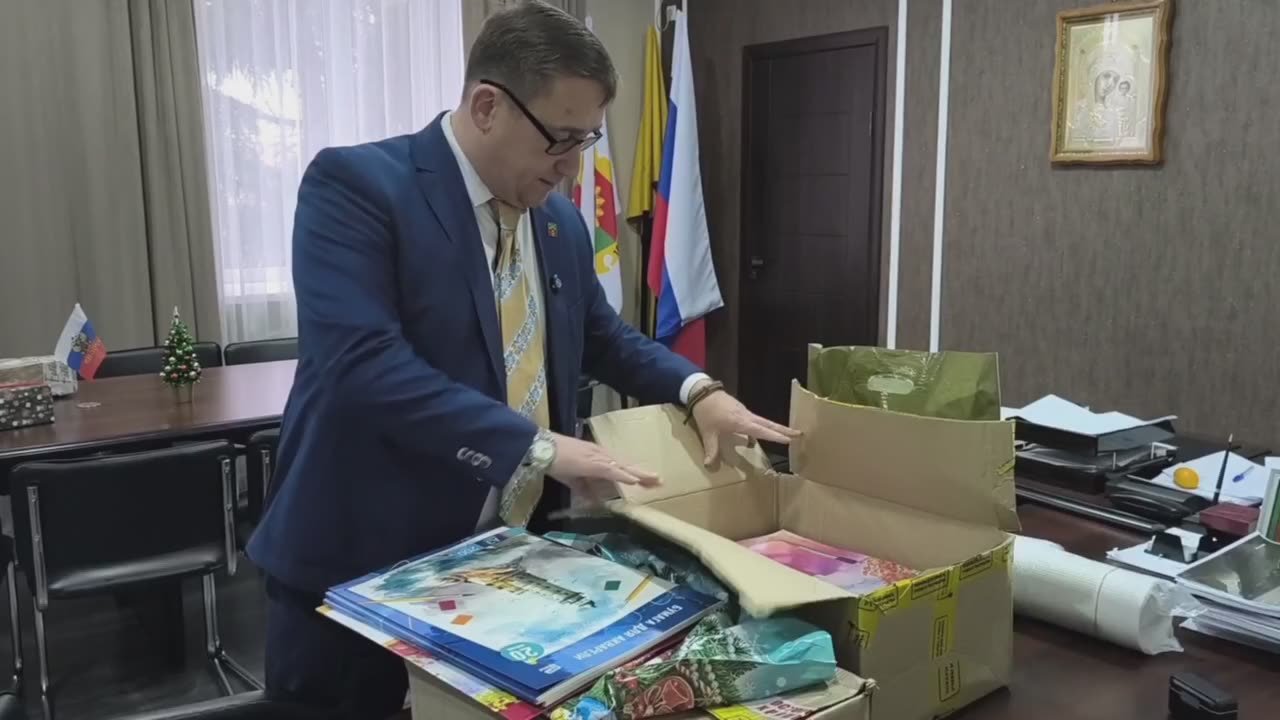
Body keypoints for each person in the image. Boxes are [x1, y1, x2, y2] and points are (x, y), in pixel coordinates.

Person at [246, 2, 797, 718]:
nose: (572, 167)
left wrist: (698, 389)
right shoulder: (359, 187)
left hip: (506, 573)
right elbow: (362, 365)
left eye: (586, 139)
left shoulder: (557, 221)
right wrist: (538, 448)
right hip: (362, 573)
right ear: (487, 106)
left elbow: (602, 336)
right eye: (560, 139)